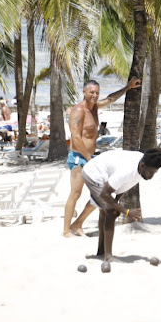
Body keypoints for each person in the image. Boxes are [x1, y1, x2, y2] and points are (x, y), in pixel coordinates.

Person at [63, 77, 141, 238]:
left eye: (97, 92)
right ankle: (65, 231)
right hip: (79, 157)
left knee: (101, 194)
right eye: (91, 92)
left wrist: (128, 87)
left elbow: (111, 99)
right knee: (75, 194)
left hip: (90, 157)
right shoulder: (78, 110)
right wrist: (89, 160)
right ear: (84, 92)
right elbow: (76, 138)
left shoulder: (94, 108)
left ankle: (77, 224)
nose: (95, 95)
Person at [81, 148, 161, 261]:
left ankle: (101, 251)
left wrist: (117, 205)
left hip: (103, 172)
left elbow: (124, 186)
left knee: (108, 211)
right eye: (151, 172)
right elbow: (105, 193)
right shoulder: (128, 170)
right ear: (142, 166)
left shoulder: (142, 165)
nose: (151, 176)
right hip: (93, 173)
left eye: (154, 173)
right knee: (110, 212)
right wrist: (126, 211)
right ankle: (108, 256)